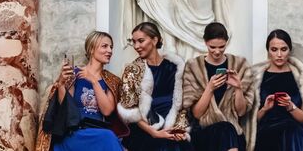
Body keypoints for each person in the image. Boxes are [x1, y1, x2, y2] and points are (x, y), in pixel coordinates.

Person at [35, 31, 127, 151]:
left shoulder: (112, 80)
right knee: (108, 138)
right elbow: (66, 107)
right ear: (91, 49)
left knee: (108, 137)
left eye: (111, 47)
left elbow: (107, 111)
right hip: (76, 131)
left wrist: (94, 81)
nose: (109, 51)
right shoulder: (74, 74)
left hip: (98, 131)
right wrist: (61, 84)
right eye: (104, 46)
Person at [117, 22, 192, 151]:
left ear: (155, 39)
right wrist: (154, 132)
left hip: (171, 123)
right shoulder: (132, 70)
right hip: (144, 128)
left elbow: (182, 105)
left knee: (179, 144)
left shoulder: (176, 66)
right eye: (134, 42)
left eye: (141, 41)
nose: (136, 46)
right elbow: (130, 110)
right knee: (163, 145)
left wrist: (179, 130)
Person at [249, 30, 303, 151]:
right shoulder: (255, 78)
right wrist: (265, 109)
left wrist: (291, 107)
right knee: (291, 130)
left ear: (289, 50)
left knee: (291, 130)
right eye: (274, 50)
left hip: (294, 131)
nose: (279, 54)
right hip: (266, 133)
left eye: (283, 49)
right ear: (268, 51)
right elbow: (249, 122)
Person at [182, 22, 255, 151]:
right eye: (212, 47)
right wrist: (210, 89)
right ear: (205, 42)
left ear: (227, 42)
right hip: (205, 133)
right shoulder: (193, 67)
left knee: (228, 129)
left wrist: (238, 88)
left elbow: (241, 112)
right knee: (226, 129)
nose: (217, 51)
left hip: (233, 132)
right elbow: (197, 114)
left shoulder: (240, 65)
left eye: (222, 47)